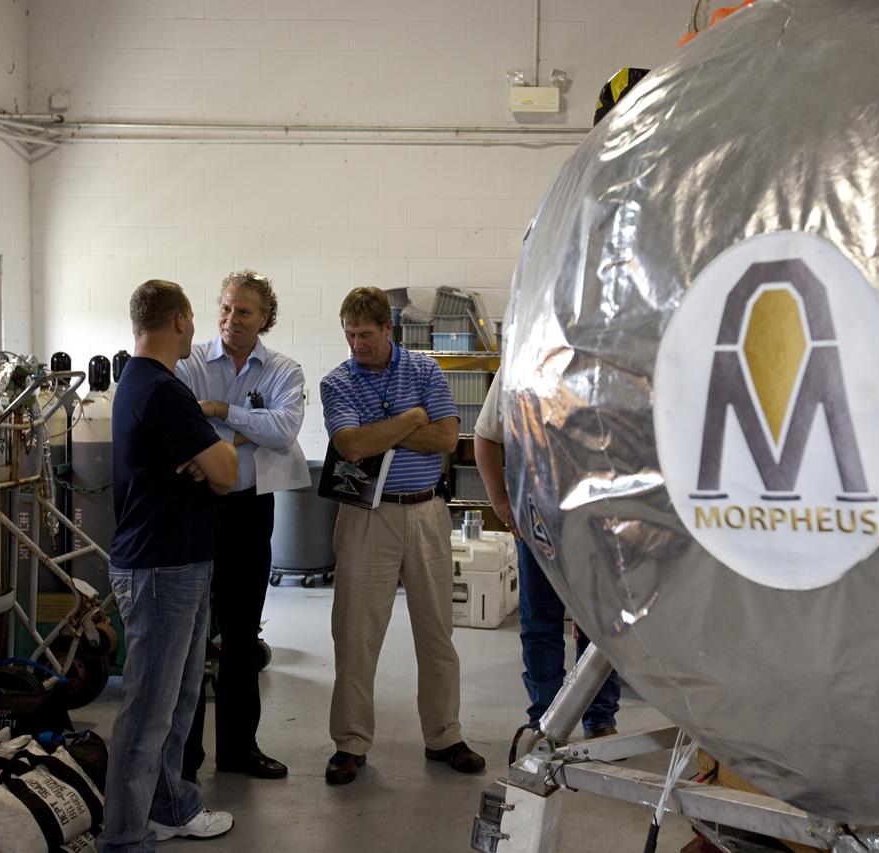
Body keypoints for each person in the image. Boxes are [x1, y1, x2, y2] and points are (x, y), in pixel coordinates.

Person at [318, 286, 486, 785]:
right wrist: (413, 418)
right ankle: (349, 744)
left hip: (427, 513)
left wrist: (385, 428)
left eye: (366, 335)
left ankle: (444, 735)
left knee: (437, 631)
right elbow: (350, 445)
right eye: (349, 335)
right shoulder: (337, 382)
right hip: (367, 518)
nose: (357, 345)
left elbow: (447, 438)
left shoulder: (424, 370)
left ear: (388, 329)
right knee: (355, 634)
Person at [100, 280, 238, 851]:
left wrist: (205, 462)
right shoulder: (163, 390)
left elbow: (212, 468)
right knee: (149, 711)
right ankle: (126, 836)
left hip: (174, 561)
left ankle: (170, 806)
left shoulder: (139, 383)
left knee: (179, 698)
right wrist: (213, 460)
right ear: (181, 320)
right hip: (162, 569)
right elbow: (227, 471)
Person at [176, 269, 306, 781]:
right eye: (226, 308)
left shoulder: (283, 370)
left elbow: (285, 428)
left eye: (244, 311)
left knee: (241, 632)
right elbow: (182, 422)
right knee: (189, 635)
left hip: (250, 509)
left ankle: (237, 750)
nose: (231, 319)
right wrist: (241, 433)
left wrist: (219, 411)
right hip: (194, 505)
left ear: (265, 319)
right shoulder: (187, 363)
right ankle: (184, 756)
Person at [473, 368, 621, 740]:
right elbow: (486, 437)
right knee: (541, 623)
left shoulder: (605, 359)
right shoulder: (519, 363)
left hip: (599, 520)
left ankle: (599, 718)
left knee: (600, 625)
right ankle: (547, 719)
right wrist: (501, 504)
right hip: (538, 517)